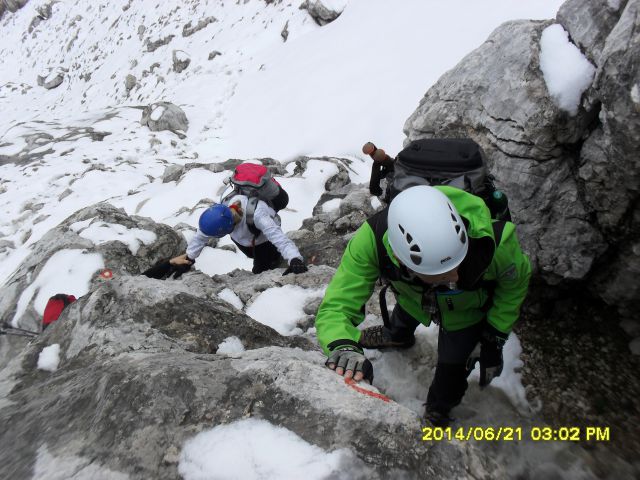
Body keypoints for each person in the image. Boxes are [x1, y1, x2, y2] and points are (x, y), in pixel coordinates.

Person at [315, 185, 531, 426]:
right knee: (402, 319)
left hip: (464, 314)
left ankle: (439, 409)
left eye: (458, 265)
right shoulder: (371, 241)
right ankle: (396, 336)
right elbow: (337, 305)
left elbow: (515, 284)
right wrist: (342, 344)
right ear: (399, 259)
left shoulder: (493, 241)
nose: (456, 277)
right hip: (412, 298)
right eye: (441, 276)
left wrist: (495, 333)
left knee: (452, 371)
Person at [171, 195, 308, 275]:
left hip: (264, 242)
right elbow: (202, 236)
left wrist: (294, 258)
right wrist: (190, 257)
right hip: (245, 241)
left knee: (262, 268)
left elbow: (278, 237)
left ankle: (273, 261)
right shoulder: (221, 210)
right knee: (255, 258)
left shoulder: (258, 215)